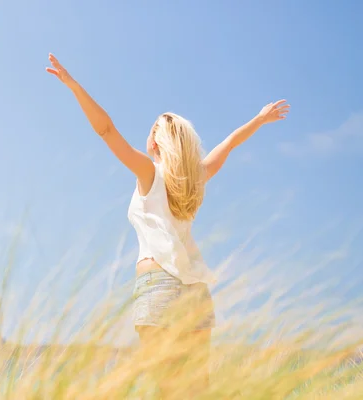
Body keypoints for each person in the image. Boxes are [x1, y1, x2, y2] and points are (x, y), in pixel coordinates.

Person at [46, 53, 290, 394]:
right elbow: (229, 143)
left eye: (151, 130)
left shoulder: (149, 173)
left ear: (156, 142)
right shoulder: (196, 179)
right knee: (195, 390)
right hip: (196, 292)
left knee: (163, 389)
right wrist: (260, 119)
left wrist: (73, 85)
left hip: (158, 285)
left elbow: (106, 129)